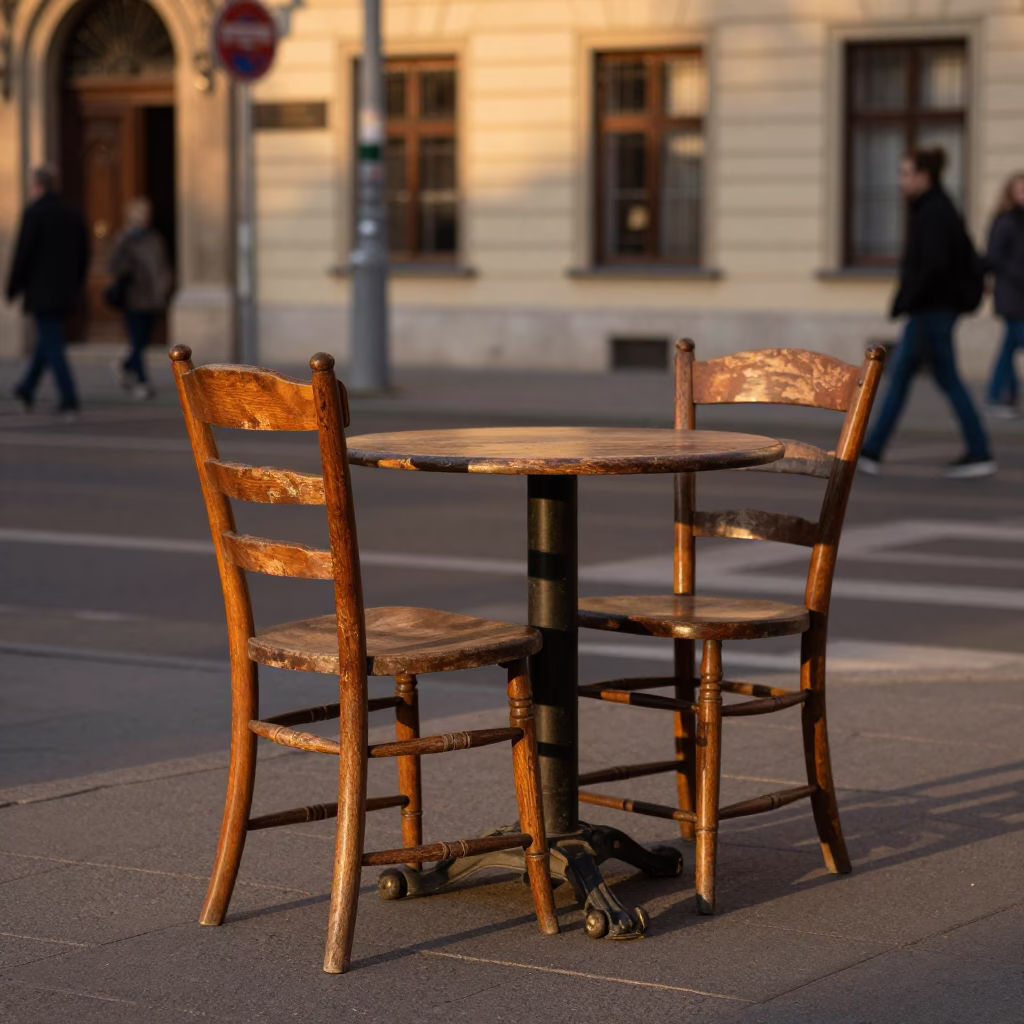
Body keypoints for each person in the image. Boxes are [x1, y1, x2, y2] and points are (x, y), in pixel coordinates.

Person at [859, 148, 995, 479]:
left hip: (930, 312)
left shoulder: (934, 212)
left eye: (905, 174)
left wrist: (908, 300)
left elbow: (933, 265)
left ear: (924, 176)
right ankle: (872, 450)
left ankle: (872, 450)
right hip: (931, 310)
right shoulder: (935, 208)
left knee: (919, 379)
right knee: (909, 379)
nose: (900, 181)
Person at [5, 163, 89, 418]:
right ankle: (26, 388)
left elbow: (24, 253)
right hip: (64, 291)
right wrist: (76, 284)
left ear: (37, 186)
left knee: (52, 344)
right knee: (47, 340)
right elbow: (84, 254)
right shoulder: (72, 214)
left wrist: (12, 287)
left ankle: (69, 397)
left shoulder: (35, 213)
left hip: (41, 292)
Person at [109, 197, 172, 400]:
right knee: (137, 342)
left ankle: (125, 365)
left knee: (142, 342)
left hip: (152, 298)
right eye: (141, 215)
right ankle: (142, 382)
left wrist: (164, 285)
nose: (145, 219)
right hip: (134, 298)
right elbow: (115, 265)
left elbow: (162, 265)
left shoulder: (154, 239)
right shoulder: (125, 239)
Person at [984, 172, 1024, 418]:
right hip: (1011, 294)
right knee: (1015, 342)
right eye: (1020, 190)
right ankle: (999, 395)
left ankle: (1001, 396)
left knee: (1010, 346)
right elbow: (994, 258)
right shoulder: (1006, 221)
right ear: (1010, 193)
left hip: (1020, 295)